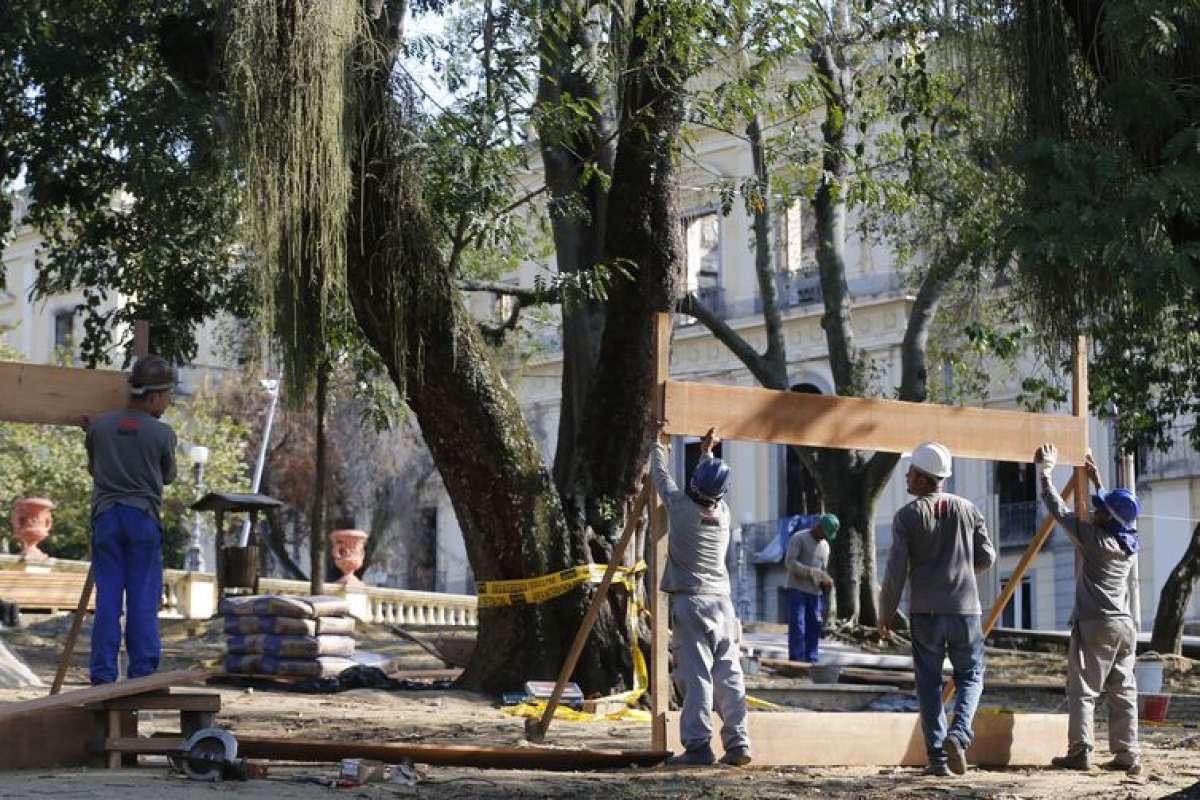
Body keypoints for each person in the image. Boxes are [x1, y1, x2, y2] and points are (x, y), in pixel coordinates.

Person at [878, 441, 995, 777]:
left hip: (925, 613)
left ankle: (938, 760)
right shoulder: (968, 509)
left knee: (929, 684)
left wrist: (885, 613)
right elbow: (987, 558)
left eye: (911, 471)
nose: (906, 476)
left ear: (924, 478)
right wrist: (960, 571)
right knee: (971, 676)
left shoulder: (907, 517)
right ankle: (959, 735)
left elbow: (896, 570)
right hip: (965, 611)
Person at [1036, 444, 1142, 775]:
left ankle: (1080, 750)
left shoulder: (1094, 540)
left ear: (1107, 519)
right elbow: (1117, 514)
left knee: (1082, 689)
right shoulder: (1128, 544)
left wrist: (1046, 473)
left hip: (1096, 624)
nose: (1094, 511)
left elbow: (1057, 508)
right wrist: (1098, 482)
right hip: (1125, 627)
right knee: (1122, 690)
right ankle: (1127, 753)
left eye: (1100, 510)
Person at [651, 425, 751, 767]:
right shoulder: (722, 514)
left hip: (691, 603)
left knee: (697, 677)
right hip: (723, 603)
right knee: (729, 674)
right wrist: (708, 452)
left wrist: (657, 444)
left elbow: (660, 477)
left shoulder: (680, 509)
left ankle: (698, 747)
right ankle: (738, 744)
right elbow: (708, 483)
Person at [84, 355, 178, 685]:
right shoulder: (162, 434)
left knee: (108, 599)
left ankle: (103, 674)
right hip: (142, 518)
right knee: (142, 598)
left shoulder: (99, 426)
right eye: (167, 395)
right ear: (152, 395)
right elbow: (167, 478)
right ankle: (142, 675)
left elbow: (95, 469)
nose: (168, 403)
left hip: (107, 517)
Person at [784, 513, 838, 663]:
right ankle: (797, 659)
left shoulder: (825, 546)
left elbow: (822, 569)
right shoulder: (799, 538)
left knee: (814, 625)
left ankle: (811, 658)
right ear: (818, 526)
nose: (825, 537)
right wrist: (810, 572)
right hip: (797, 589)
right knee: (798, 624)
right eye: (824, 533)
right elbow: (790, 562)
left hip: (815, 593)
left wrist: (825, 580)